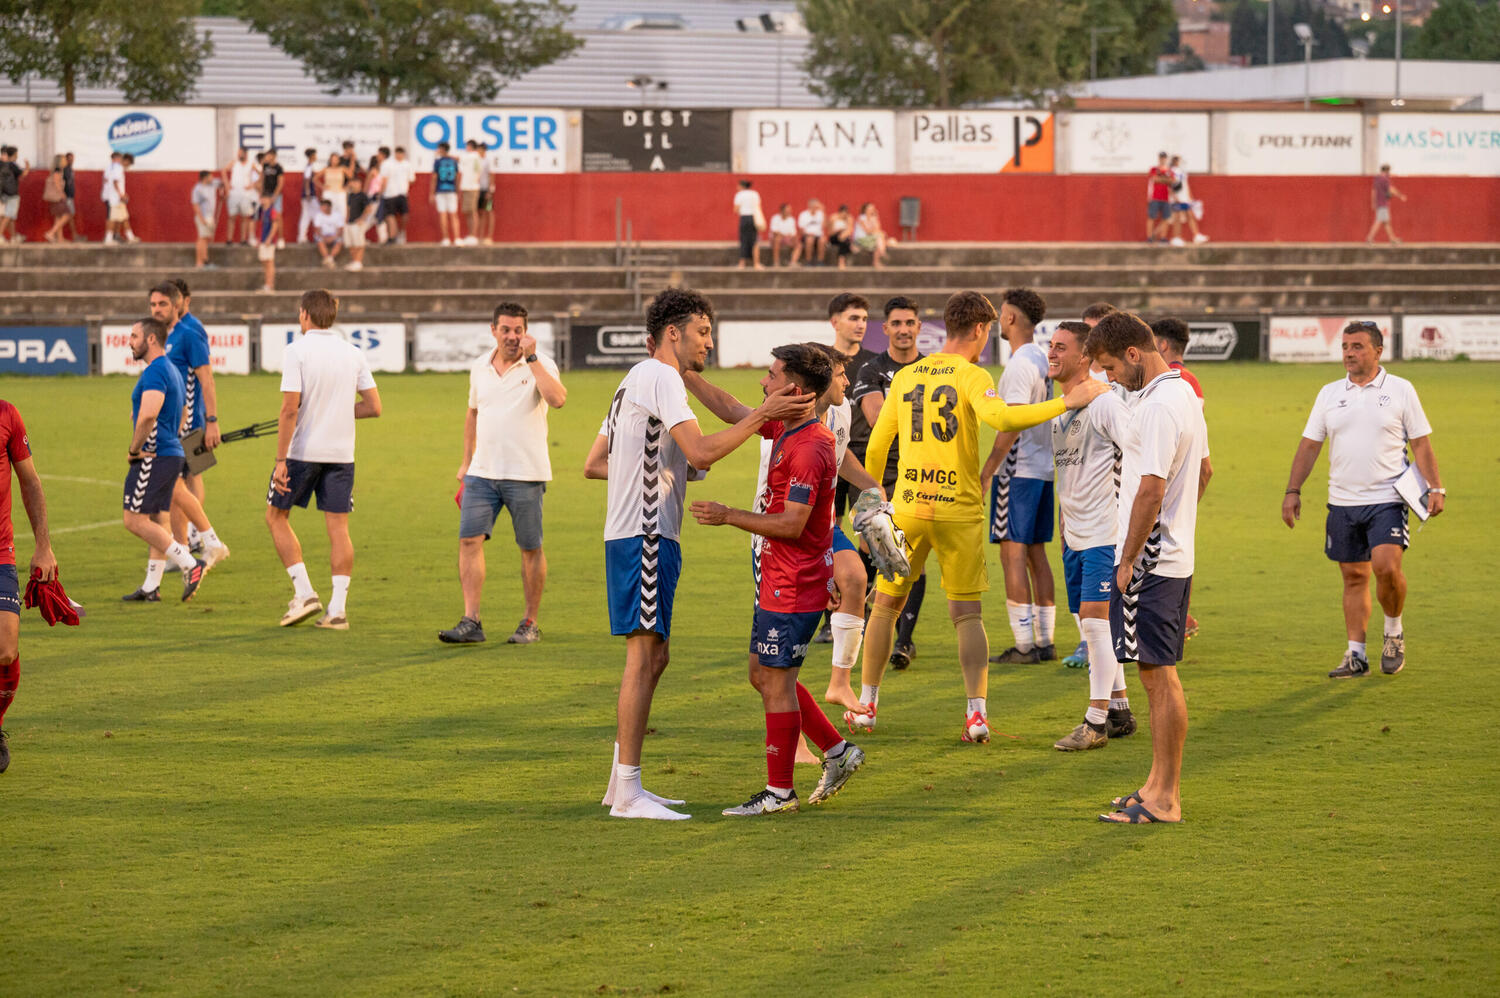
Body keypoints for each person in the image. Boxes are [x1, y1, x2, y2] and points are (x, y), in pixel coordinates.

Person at [597, 287, 813, 820]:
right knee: (643, 657)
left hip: (643, 532)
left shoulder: (638, 379)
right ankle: (628, 794)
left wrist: (669, 467)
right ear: (672, 333)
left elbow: (602, 460)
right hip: (646, 534)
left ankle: (620, 782)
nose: (709, 343)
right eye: (702, 332)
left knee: (656, 656)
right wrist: (762, 414)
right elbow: (700, 450)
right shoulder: (660, 376)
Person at [853, 291, 1107, 741]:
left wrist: (874, 501)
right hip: (958, 509)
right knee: (967, 616)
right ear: (979, 329)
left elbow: (876, 445)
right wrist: (1067, 403)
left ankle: (866, 706)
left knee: (885, 606)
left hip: (908, 506)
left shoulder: (907, 376)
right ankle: (976, 715)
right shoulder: (972, 375)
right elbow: (1002, 419)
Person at [689, 345, 867, 815]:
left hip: (795, 581)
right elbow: (734, 410)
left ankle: (779, 792)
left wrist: (728, 514)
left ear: (795, 389)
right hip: (779, 576)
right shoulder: (786, 426)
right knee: (762, 674)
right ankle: (837, 751)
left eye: (771, 376)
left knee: (777, 681)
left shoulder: (809, 447)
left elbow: (792, 523)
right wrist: (685, 375)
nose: (763, 383)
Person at [1087, 311, 1210, 824]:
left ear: (1135, 354)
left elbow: (1151, 489)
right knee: (1155, 672)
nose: (1111, 377)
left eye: (1112, 367)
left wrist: (1129, 558)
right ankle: (1156, 786)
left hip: (1151, 560)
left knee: (1158, 677)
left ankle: (1166, 798)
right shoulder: (1178, 393)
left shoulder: (1160, 405)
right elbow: (1204, 471)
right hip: (1169, 554)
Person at [1281, 320, 1442, 679]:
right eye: (1345, 346)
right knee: (1354, 577)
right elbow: (1310, 445)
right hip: (1342, 501)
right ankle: (1356, 655)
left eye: (1357, 346)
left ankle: (1393, 632)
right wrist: (1293, 490)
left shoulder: (1401, 390)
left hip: (1388, 498)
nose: (1349, 353)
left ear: (1378, 351)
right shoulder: (1329, 393)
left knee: (1386, 567)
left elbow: (1420, 443)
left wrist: (1436, 487)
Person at [439, 302, 567, 645]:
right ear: (493, 330)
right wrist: (466, 462)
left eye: (518, 330)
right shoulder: (480, 367)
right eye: (506, 329)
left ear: (526, 332)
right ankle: (471, 620)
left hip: (526, 473)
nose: (512, 336)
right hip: (482, 473)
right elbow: (473, 413)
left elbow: (558, 399)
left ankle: (530, 622)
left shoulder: (540, 363)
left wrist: (533, 359)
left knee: (530, 547)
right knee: (469, 541)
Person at [1043, 322, 1137, 752]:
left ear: (1084, 357)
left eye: (1061, 347)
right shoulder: (1060, 408)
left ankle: (1095, 722)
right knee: (1089, 622)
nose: (1052, 353)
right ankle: (1119, 710)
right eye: (1050, 345)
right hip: (1075, 533)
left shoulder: (1105, 403)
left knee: (1096, 623)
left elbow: (1140, 452)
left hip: (1106, 531)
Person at [265, 289, 382, 631]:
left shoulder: (296, 351)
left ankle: (304, 593)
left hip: (302, 453)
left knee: (276, 516)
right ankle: (337, 611)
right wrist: (338, 411)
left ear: (304, 314)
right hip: (342, 455)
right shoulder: (353, 353)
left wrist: (281, 460)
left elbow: (289, 410)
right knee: (339, 529)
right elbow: (373, 407)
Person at [981, 288, 1058, 664]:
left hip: (1017, 470)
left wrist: (987, 471)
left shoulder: (1017, 366)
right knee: (1036, 554)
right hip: (1043, 469)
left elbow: (1010, 424)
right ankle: (1046, 641)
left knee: (1012, 555)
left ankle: (1024, 645)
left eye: (1001, 313)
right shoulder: (1042, 358)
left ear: (1010, 318)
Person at [851, 296, 925, 669]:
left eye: (910, 323)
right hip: (879, 473)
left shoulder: (931, 368)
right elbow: (878, 418)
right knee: (872, 547)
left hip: (921, 472)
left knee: (912, 553)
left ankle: (904, 640)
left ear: (919, 327)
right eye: (897, 323)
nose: (903, 330)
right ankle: (858, 620)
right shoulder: (871, 370)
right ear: (886, 329)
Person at [119, 317, 206, 603]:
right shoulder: (170, 369)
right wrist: (170, 437)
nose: (130, 342)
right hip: (170, 453)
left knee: (133, 520)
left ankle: (190, 564)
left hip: (154, 455)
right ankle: (151, 587)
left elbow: (147, 415)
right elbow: (183, 412)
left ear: (151, 339)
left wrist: (135, 449)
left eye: (134, 336)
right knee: (157, 518)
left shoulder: (156, 370)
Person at [0, 397, 59, 773]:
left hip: (0, 551)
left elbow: (30, 481)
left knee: (6, 650)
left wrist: (43, 545)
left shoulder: (7, 414)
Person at [1167, 155, 1209, 245]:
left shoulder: (1182, 171)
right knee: (1177, 218)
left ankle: (1196, 235)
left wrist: (1190, 196)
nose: (1181, 162)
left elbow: (1186, 185)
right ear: (1175, 161)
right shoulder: (1171, 171)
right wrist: (1174, 197)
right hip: (1176, 198)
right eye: (1179, 160)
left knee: (1190, 215)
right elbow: (1169, 185)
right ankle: (1176, 238)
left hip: (1184, 198)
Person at [222, 147, 259, 245]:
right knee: (232, 216)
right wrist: (227, 186)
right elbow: (224, 171)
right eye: (238, 153)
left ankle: (243, 239)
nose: (239, 155)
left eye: (241, 153)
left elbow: (261, 174)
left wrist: (252, 185)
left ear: (245, 154)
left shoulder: (251, 164)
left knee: (245, 217)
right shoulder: (234, 162)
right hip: (234, 193)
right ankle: (229, 239)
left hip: (246, 194)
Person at [1366, 164, 1407, 245]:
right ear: (1387, 171)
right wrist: (1400, 196)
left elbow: (1373, 191)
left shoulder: (1377, 179)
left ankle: (1392, 239)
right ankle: (1369, 238)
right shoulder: (1385, 179)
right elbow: (1391, 189)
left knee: (1386, 222)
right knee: (1379, 221)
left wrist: (1373, 202)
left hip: (1379, 202)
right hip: (1383, 203)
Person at [380, 147, 414, 244]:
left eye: (401, 153)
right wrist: (381, 192)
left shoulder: (407, 165)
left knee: (404, 215)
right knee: (390, 215)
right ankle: (392, 236)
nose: (399, 155)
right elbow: (384, 179)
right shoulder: (387, 164)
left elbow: (411, 179)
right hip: (389, 194)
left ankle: (400, 232)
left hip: (402, 193)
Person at [103, 152, 137, 245]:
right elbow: (115, 182)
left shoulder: (113, 168)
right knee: (112, 218)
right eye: (128, 164)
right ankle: (108, 239)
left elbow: (107, 181)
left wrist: (122, 194)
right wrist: (121, 195)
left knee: (124, 217)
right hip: (115, 198)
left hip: (115, 197)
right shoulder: (118, 168)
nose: (128, 166)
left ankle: (130, 237)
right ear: (126, 161)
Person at [431, 143, 461, 246]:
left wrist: (431, 193)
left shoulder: (438, 162)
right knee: (453, 215)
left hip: (440, 190)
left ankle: (446, 238)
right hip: (452, 190)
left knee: (443, 215)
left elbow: (434, 178)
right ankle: (457, 238)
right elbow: (457, 177)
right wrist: (458, 191)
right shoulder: (453, 161)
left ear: (442, 149)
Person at [342, 175, 373, 272]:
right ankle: (354, 261)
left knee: (359, 243)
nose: (353, 184)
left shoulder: (363, 195)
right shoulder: (350, 195)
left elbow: (368, 209)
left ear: (360, 184)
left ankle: (358, 262)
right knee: (350, 244)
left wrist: (361, 219)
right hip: (349, 223)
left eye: (355, 182)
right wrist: (346, 220)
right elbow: (348, 209)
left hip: (357, 224)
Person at [258, 149, 286, 249]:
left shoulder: (279, 168)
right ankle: (266, 238)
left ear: (273, 156)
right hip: (266, 195)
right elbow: (262, 179)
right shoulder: (265, 166)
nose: (267, 157)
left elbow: (280, 183)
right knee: (266, 216)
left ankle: (281, 238)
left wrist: (275, 196)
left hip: (276, 195)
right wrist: (261, 193)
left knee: (277, 216)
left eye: (268, 155)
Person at [732, 179, 763, 270]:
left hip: (744, 218)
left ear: (742, 186)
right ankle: (756, 263)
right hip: (754, 218)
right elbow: (758, 207)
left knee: (744, 240)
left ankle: (742, 263)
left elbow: (736, 209)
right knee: (754, 241)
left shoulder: (739, 195)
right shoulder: (755, 194)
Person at [190, 170, 218, 268]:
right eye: (210, 177)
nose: (212, 178)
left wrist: (223, 189)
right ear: (205, 178)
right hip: (203, 216)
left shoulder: (212, 185)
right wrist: (201, 218)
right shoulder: (198, 189)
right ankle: (199, 262)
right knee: (201, 238)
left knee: (206, 239)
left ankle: (205, 260)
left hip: (210, 216)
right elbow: (195, 204)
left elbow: (221, 183)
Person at [458, 139, 483, 246]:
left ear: (470, 146)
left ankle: (473, 235)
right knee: (468, 212)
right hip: (467, 187)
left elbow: (458, 158)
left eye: (467, 146)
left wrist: (445, 154)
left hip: (472, 188)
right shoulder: (473, 157)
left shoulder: (474, 156)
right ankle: (470, 235)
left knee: (473, 212)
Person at [42, 157, 71, 244]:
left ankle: (60, 238)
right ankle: (51, 233)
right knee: (67, 215)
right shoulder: (57, 171)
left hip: (55, 198)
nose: (66, 161)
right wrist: (62, 194)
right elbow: (57, 183)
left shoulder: (57, 171)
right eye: (64, 159)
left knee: (58, 217)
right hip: (57, 198)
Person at [1146, 152, 1173, 244]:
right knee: (1151, 217)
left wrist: (1162, 179)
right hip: (1155, 197)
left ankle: (1163, 238)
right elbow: (1155, 179)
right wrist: (1165, 180)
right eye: (1161, 158)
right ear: (1159, 158)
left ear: (1166, 159)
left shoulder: (1169, 170)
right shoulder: (1154, 169)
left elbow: (1172, 181)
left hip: (1166, 198)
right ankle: (1149, 237)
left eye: (1164, 158)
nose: (1162, 159)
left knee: (1165, 218)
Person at [0, 146, 25, 245]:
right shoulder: (11, 165)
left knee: (8, 217)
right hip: (10, 194)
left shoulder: (2, 165)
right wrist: (27, 167)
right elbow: (23, 174)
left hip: (3, 194)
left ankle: (13, 237)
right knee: (8, 215)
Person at [852, 202, 888, 268]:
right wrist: (877, 231)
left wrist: (876, 218)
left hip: (868, 237)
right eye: (870, 209)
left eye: (873, 209)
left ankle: (879, 256)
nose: (872, 210)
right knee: (879, 238)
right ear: (865, 210)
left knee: (880, 238)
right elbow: (868, 231)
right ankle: (881, 254)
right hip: (861, 239)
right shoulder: (861, 218)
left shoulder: (872, 218)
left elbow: (877, 229)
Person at [312, 199, 344, 269]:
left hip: (334, 235)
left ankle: (330, 259)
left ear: (329, 207)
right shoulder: (318, 215)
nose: (322, 208)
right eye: (321, 206)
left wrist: (333, 237)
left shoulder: (337, 215)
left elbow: (341, 229)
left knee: (340, 241)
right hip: (322, 235)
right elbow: (317, 230)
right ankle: (327, 258)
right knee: (319, 240)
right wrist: (324, 237)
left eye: (324, 206)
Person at [298, 148, 320, 243]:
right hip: (309, 196)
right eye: (315, 155)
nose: (316, 157)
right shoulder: (309, 166)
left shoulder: (309, 166)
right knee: (315, 215)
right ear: (311, 156)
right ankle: (315, 236)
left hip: (308, 195)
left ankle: (303, 237)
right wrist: (308, 193)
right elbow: (306, 180)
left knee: (307, 216)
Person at [475, 142, 495, 245]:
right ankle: (480, 236)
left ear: (483, 150)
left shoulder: (488, 161)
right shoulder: (477, 161)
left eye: (479, 150)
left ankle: (489, 237)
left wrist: (490, 190)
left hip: (487, 191)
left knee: (489, 211)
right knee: (480, 213)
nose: (478, 152)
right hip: (478, 190)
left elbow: (491, 175)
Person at [768, 202, 799, 266]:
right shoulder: (775, 218)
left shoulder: (791, 219)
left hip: (787, 239)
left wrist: (790, 237)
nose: (789, 211)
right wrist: (784, 235)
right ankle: (776, 262)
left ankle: (793, 262)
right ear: (782, 211)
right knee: (777, 239)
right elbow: (775, 231)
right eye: (787, 210)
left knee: (798, 244)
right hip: (776, 238)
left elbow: (793, 233)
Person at [797, 198, 826, 265]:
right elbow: (801, 230)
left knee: (822, 240)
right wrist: (808, 234)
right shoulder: (803, 215)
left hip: (818, 235)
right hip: (807, 235)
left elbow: (824, 226)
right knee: (810, 240)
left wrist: (823, 212)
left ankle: (820, 261)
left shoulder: (820, 214)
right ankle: (808, 261)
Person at [827, 204, 854, 269]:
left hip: (844, 236)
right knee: (845, 241)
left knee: (844, 240)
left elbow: (850, 230)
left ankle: (841, 261)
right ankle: (850, 247)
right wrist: (838, 231)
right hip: (834, 237)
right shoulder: (833, 218)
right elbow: (829, 232)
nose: (844, 216)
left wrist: (843, 235)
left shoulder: (849, 218)